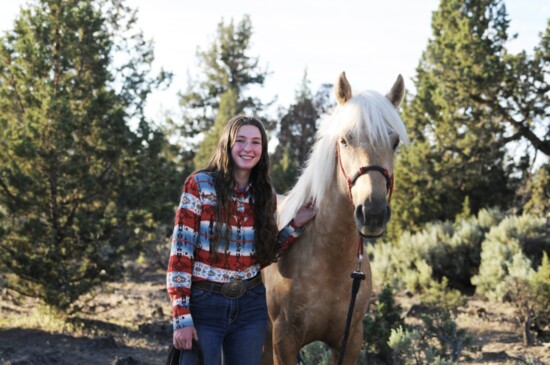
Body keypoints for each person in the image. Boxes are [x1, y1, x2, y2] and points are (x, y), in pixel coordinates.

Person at [166, 115, 316, 365]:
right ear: (228, 144)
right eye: (241, 141)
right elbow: (181, 253)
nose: (249, 148)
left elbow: (264, 255)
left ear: (263, 150)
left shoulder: (264, 192)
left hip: (250, 306)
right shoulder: (199, 185)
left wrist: (295, 225)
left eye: (256, 142)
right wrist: (181, 315)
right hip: (204, 305)